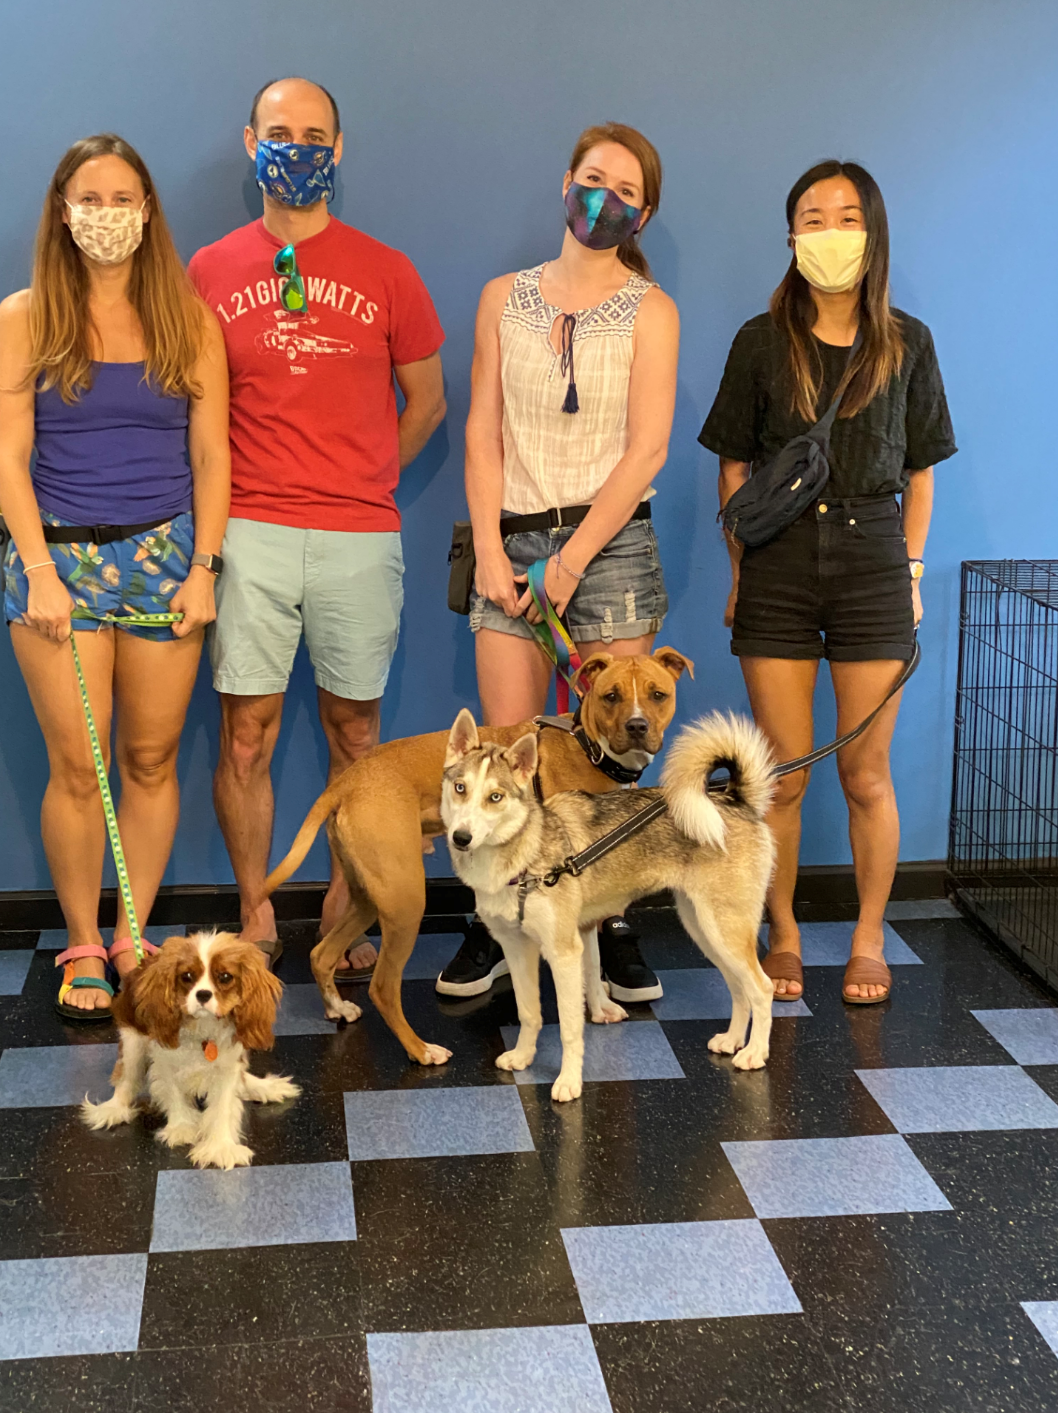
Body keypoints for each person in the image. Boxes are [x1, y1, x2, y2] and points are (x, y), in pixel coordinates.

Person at [188, 78, 446, 971]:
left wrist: (368, 473)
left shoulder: (387, 269)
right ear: (250, 140)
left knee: (358, 734)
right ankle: (254, 906)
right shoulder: (209, 271)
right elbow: (196, 413)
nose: (295, 147)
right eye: (278, 132)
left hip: (359, 535)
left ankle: (349, 893)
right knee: (246, 730)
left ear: (339, 148)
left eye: (313, 134)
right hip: (250, 529)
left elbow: (428, 400)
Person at [699, 159, 956, 1005]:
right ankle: (783, 933)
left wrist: (910, 573)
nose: (830, 231)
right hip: (776, 563)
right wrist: (741, 572)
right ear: (791, 234)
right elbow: (733, 468)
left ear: (872, 233)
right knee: (783, 774)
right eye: (813, 216)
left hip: (874, 558)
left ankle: (870, 936)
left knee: (865, 774)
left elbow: (920, 472)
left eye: (847, 217)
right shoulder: (759, 341)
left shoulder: (907, 341)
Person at [436, 122, 679, 1003]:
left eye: (624, 190)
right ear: (564, 181)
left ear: (643, 212)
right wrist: (494, 546)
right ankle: (494, 922)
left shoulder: (652, 311)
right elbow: (482, 430)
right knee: (507, 749)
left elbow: (648, 448)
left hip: (609, 550)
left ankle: (607, 918)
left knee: (614, 749)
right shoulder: (504, 297)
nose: (602, 199)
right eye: (591, 178)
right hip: (512, 543)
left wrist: (570, 563)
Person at [0, 134, 230, 1020]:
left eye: (123, 197)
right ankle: (84, 942)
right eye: (88, 197)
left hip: (167, 561)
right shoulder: (25, 316)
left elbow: (212, 455)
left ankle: (134, 934)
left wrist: (204, 567)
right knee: (76, 765)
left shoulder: (186, 316)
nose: (106, 214)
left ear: (148, 211)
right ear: (62, 210)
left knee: (148, 755)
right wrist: (37, 570)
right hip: (55, 561)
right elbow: (10, 455)